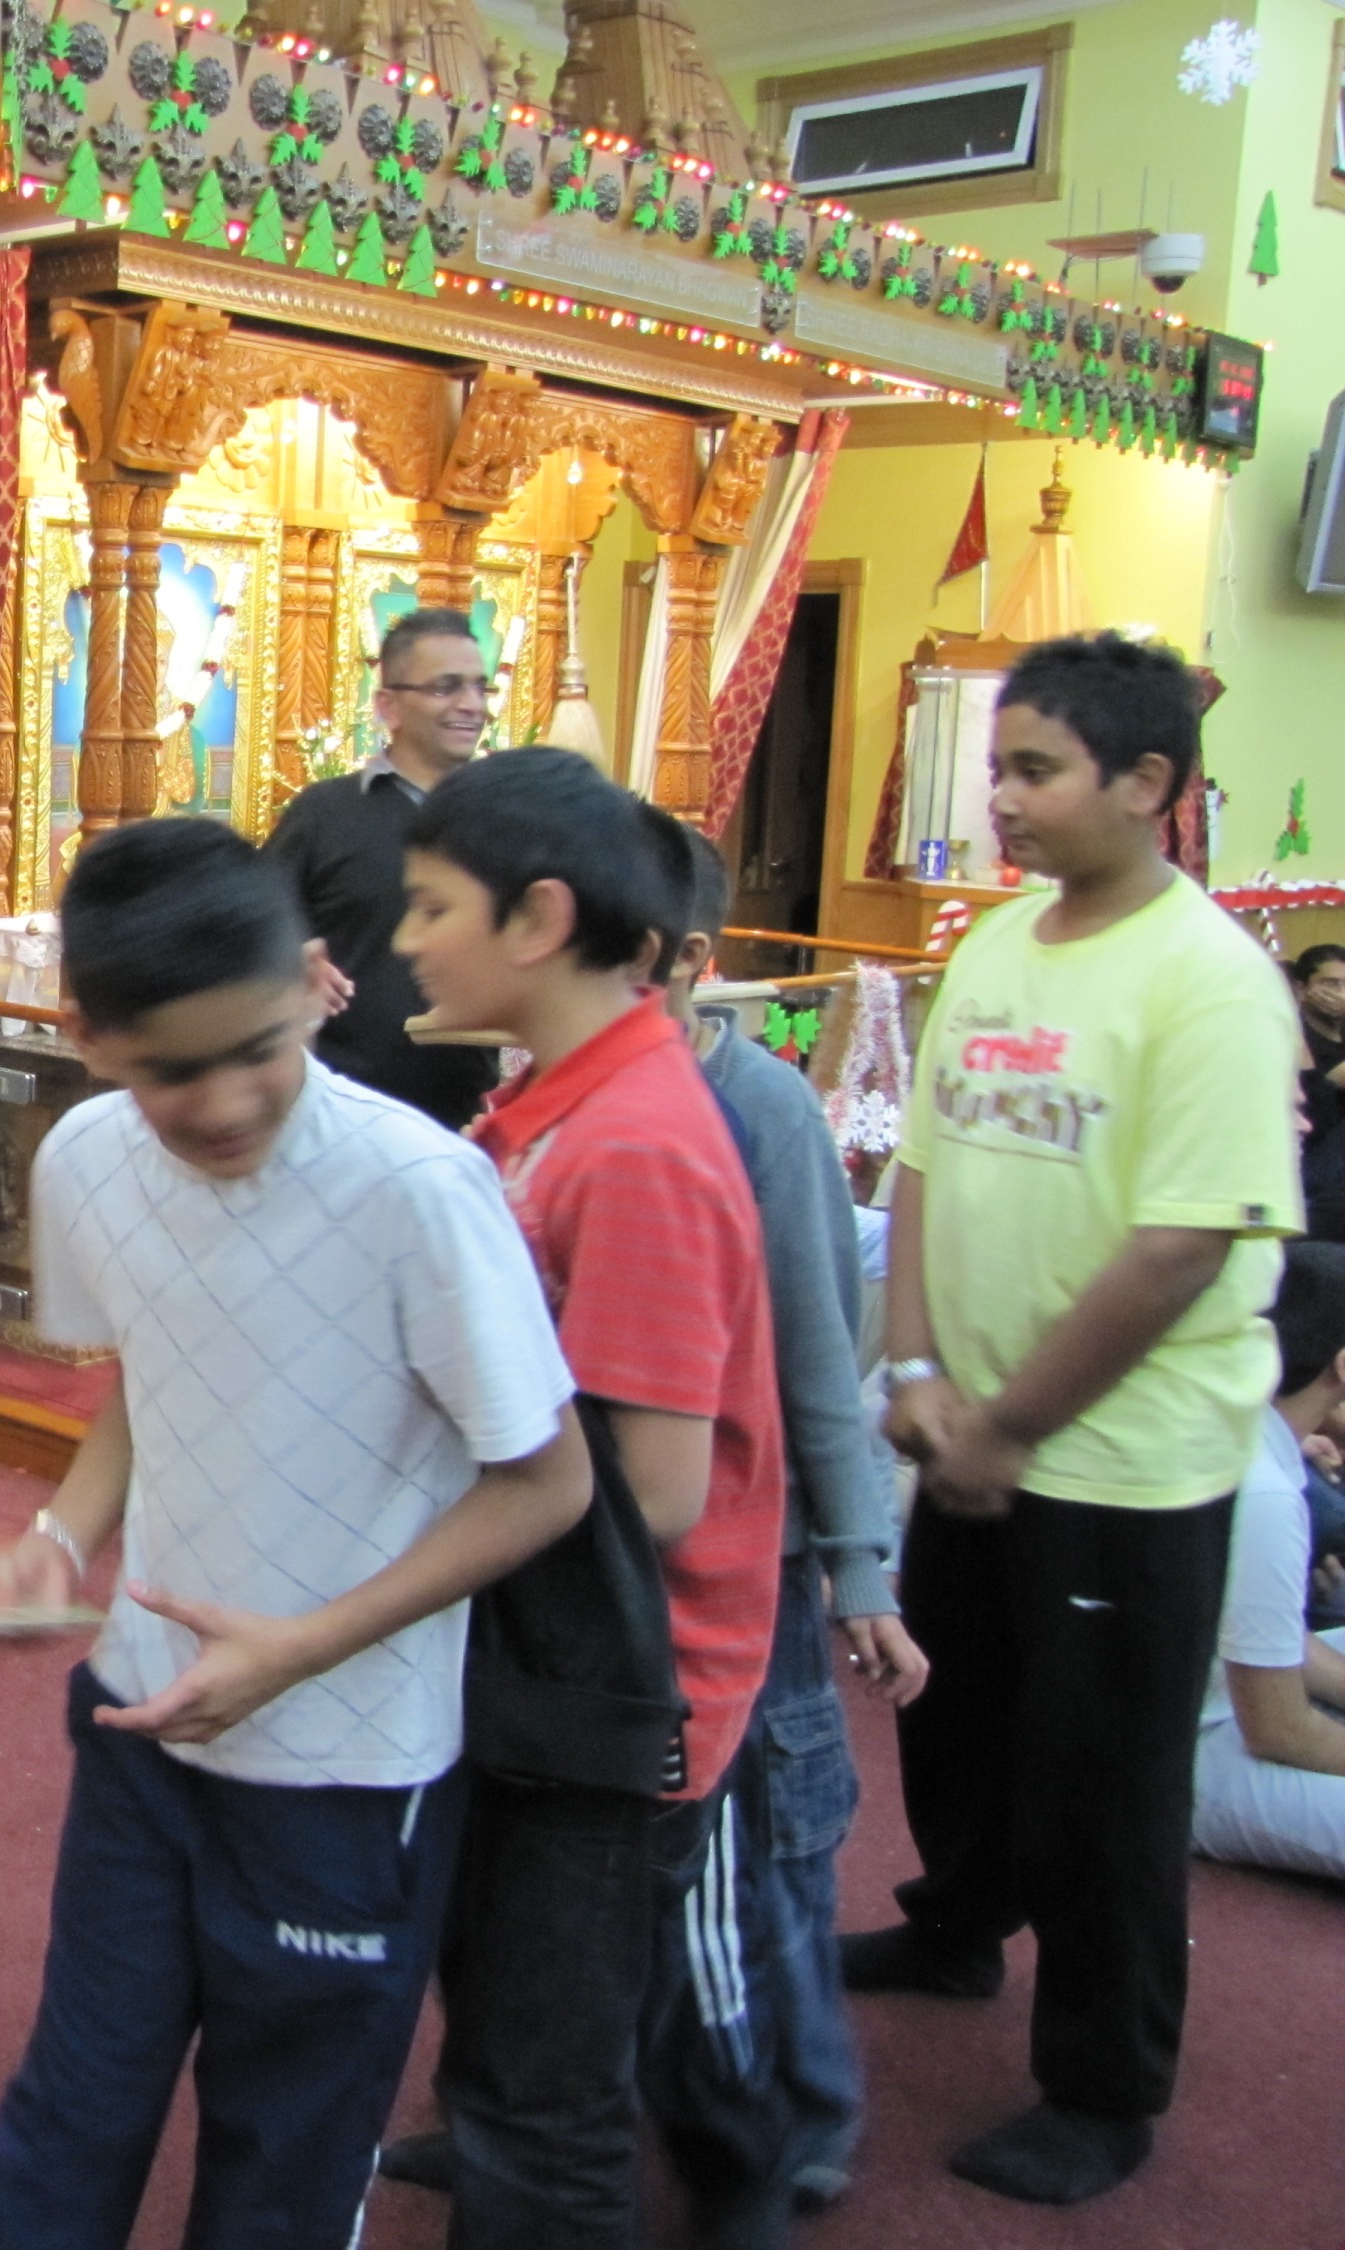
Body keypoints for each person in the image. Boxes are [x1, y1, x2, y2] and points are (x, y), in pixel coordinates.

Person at [0, 818, 593, 2249]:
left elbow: (546, 1484)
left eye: (261, 1046)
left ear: (312, 986)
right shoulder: (83, 1162)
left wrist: (302, 1647)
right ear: (92, 1038)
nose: (231, 1099)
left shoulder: (423, 1189)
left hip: (349, 1767)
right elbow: (147, 1370)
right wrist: (62, 1530)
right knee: (74, 2105)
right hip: (138, 1725)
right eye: (175, 1068)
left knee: (286, 2153)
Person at [847, 633, 1302, 2206]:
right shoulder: (995, 945)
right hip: (962, 1429)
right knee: (953, 1712)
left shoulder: (1213, 984)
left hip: (1118, 1464)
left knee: (1102, 1780)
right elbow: (923, 1162)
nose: (1002, 801)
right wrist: (912, 1371)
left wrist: (1010, 1424)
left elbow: (1181, 1248)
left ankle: (1103, 2086)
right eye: (999, 767)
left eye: (1034, 769)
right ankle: (958, 1926)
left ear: (1150, 785)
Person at [390, 748, 786, 2250]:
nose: (407, 938)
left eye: (433, 907)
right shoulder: (554, 1109)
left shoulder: (635, 1146)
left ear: (541, 918)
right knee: (512, 2025)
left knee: (551, 2105)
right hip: (555, 1661)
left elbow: (656, 1491)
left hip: (623, 1685)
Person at [646, 811, 931, 2217]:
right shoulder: (560, 1088)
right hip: (637, 1549)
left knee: (777, 1840)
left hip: (758, 1546)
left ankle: (801, 2108)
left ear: (687, 959)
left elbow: (823, 1348)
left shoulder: (757, 1109)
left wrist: (858, 1560)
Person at [262, 605, 500, 1127]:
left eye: (481, 688)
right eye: (447, 687)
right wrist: (291, 962)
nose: (471, 704)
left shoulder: (503, 819)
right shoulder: (326, 814)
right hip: (336, 1111)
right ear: (388, 706)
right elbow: (248, 926)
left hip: (460, 1110)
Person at [1192, 1241, 1345, 1882]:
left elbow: (1262, 1636)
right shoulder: (1265, 1489)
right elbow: (1277, 1729)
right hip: (1194, 1759)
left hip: (1216, 1706)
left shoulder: (1244, 1434)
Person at [1292, 943, 1345, 1243]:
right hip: (1314, 1164)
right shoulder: (1300, 1038)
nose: (1340, 992)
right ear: (1302, 989)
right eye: (1330, 984)